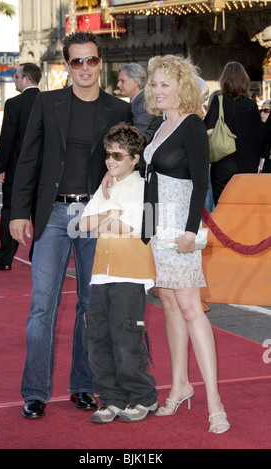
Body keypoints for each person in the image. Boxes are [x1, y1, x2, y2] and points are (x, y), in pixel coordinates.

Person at [9, 31, 132, 419]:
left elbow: (126, 165)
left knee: (89, 306)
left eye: (91, 60)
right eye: (76, 61)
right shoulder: (46, 104)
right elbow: (27, 160)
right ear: (66, 65)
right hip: (54, 216)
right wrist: (17, 211)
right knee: (41, 306)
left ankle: (83, 385)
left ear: (100, 63)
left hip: (97, 217)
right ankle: (35, 392)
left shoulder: (118, 109)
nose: (84, 68)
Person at [142, 54, 230, 434]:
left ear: (182, 88)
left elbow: (200, 182)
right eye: (155, 84)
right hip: (156, 232)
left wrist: (191, 233)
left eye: (165, 84)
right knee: (170, 306)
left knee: (192, 310)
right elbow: (148, 183)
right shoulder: (160, 126)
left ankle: (215, 403)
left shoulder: (192, 125)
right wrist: (145, 233)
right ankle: (179, 385)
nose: (157, 90)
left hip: (180, 231)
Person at [80, 122, 158, 424]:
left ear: (135, 158)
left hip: (131, 273)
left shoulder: (143, 187)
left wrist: (109, 217)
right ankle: (111, 398)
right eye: (108, 155)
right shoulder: (105, 186)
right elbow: (84, 225)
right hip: (101, 273)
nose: (111, 161)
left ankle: (143, 397)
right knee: (97, 338)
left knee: (127, 338)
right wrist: (110, 214)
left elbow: (136, 228)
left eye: (118, 155)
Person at [0, 63, 41, 271]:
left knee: (10, 211)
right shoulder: (50, 102)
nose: (15, 80)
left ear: (26, 79)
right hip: (43, 170)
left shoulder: (14, 104)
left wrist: (1, 166)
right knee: (40, 215)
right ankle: (36, 255)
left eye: (17, 76)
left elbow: (8, 137)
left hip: (17, 170)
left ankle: (5, 258)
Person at [204, 61, 262, 205]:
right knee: (245, 205)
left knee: (223, 205)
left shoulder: (220, 100)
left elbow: (208, 131)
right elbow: (258, 136)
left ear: (224, 80)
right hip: (249, 166)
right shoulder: (252, 104)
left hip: (225, 162)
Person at [117, 63, 162, 142]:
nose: (118, 84)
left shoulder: (145, 103)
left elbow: (133, 135)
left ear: (135, 82)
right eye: (118, 81)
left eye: (122, 81)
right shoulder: (139, 101)